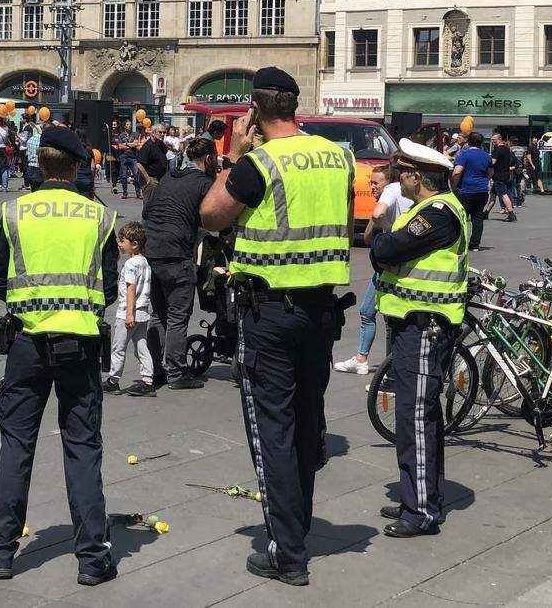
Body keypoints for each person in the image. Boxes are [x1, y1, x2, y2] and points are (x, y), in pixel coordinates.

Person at [198, 67, 353, 586]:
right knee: (307, 424)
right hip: (322, 310)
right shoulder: (339, 155)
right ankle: (297, 530)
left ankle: (287, 552)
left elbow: (212, 216)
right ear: (297, 104)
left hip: (269, 312)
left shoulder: (259, 162)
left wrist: (235, 155)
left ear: (256, 111)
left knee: (273, 431)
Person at [0, 126, 118, 586]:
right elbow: (113, 285)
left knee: (16, 445)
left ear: (40, 164)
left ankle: (1, 551)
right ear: (77, 166)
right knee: (82, 447)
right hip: (80, 345)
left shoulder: (13, 212)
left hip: (25, 343)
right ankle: (92, 558)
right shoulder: (100, 217)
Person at [371, 139, 468, 539]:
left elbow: (388, 248)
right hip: (418, 323)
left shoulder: (438, 213)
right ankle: (422, 496)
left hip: (425, 325)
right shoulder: (429, 209)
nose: (398, 179)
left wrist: (380, 242)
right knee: (420, 415)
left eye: (402, 173)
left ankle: (421, 510)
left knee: (416, 417)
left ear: (415, 176)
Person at [141, 135, 219, 390]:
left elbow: (148, 210)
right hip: (177, 254)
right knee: (177, 316)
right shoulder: (204, 183)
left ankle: (156, 370)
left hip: (152, 250)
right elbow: (215, 219)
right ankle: (175, 373)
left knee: (158, 314)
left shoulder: (168, 177)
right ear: (208, 159)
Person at [334, 164, 413, 375]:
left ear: (388, 183)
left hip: (387, 266)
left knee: (381, 316)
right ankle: (364, 359)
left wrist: (390, 231)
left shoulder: (390, 195)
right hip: (396, 263)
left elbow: (371, 230)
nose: (371, 186)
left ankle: (390, 370)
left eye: (375, 182)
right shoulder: (409, 196)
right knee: (370, 311)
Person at [105, 221, 154, 395]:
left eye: (122, 241)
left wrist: (128, 314)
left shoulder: (131, 264)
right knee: (142, 347)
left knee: (118, 348)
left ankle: (113, 380)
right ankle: (148, 381)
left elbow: (131, 288)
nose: (119, 244)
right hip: (143, 312)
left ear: (134, 244)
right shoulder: (144, 262)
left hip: (129, 313)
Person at [451, 131, 492, 250]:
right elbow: (490, 172)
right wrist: (484, 180)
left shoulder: (464, 155)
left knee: (462, 217)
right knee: (478, 217)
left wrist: (454, 186)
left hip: (466, 190)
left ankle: (459, 243)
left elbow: (456, 172)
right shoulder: (486, 156)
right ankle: (474, 244)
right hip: (482, 190)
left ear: (468, 141)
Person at [489, 133, 518, 222]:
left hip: (498, 176)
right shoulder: (507, 150)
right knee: (493, 195)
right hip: (506, 175)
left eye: (493, 140)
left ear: (498, 139)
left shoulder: (497, 150)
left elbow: (492, 162)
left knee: (503, 195)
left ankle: (511, 214)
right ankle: (486, 212)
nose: (492, 141)